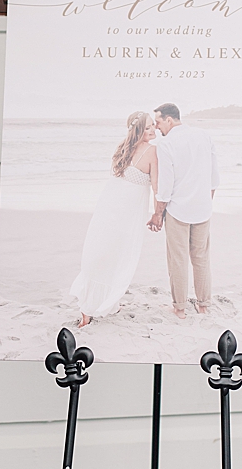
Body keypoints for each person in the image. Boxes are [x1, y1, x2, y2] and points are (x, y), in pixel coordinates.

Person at [70, 110, 161, 328]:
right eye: (148, 127)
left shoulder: (122, 147)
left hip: (108, 209)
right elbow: (157, 187)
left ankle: (108, 303)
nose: (153, 129)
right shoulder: (153, 152)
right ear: (139, 130)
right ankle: (89, 309)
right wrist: (158, 214)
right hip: (127, 214)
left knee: (104, 252)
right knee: (119, 255)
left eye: (152, 125)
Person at [149, 102, 220, 317]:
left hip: (178, 210)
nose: (157, 127)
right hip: (202, 208)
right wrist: (205, 202)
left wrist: (157, 214)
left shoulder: (166, 144)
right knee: (201, 258)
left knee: (178, 259)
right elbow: (213, 177)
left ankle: (179, 308)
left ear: (169, 120)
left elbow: (165, 186)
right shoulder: (204, 135)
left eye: (159, 122)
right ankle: (203, 305)